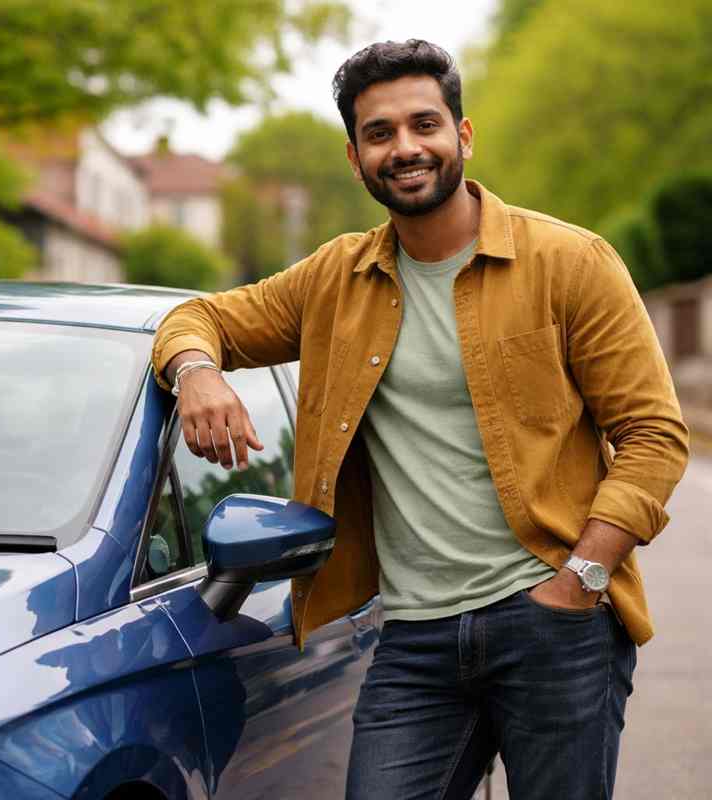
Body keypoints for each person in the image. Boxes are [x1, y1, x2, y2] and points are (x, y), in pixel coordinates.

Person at [151, 39, 688, 800]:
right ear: (355, 156)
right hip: (413, 641)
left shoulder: (570, 262)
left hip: (554, 623)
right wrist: (198, 371)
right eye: (380, 134)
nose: (405, 148)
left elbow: (654, 436)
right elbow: (195, 316)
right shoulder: (335, 279)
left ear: (462, 135)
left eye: (423, 125)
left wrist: (583, 579)